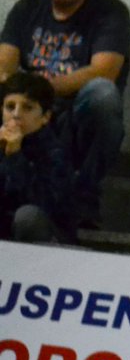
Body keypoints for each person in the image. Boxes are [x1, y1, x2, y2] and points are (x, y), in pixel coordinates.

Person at [0, 0, 129, 224]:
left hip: (75, 118)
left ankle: (84, 197)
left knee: (103, 95)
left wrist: (39, 91)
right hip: (29, 116)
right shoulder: (27, 8)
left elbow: (104, 71)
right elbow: (4, 65)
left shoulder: (111, 12)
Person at [0, 72, 75, 243]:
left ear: (45, 117)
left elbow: (42, 204)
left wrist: (14, 157)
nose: (16, 115)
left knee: (27, 216)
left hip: (48, 235)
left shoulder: (56, 152)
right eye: (10, 107)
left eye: (27, 107)